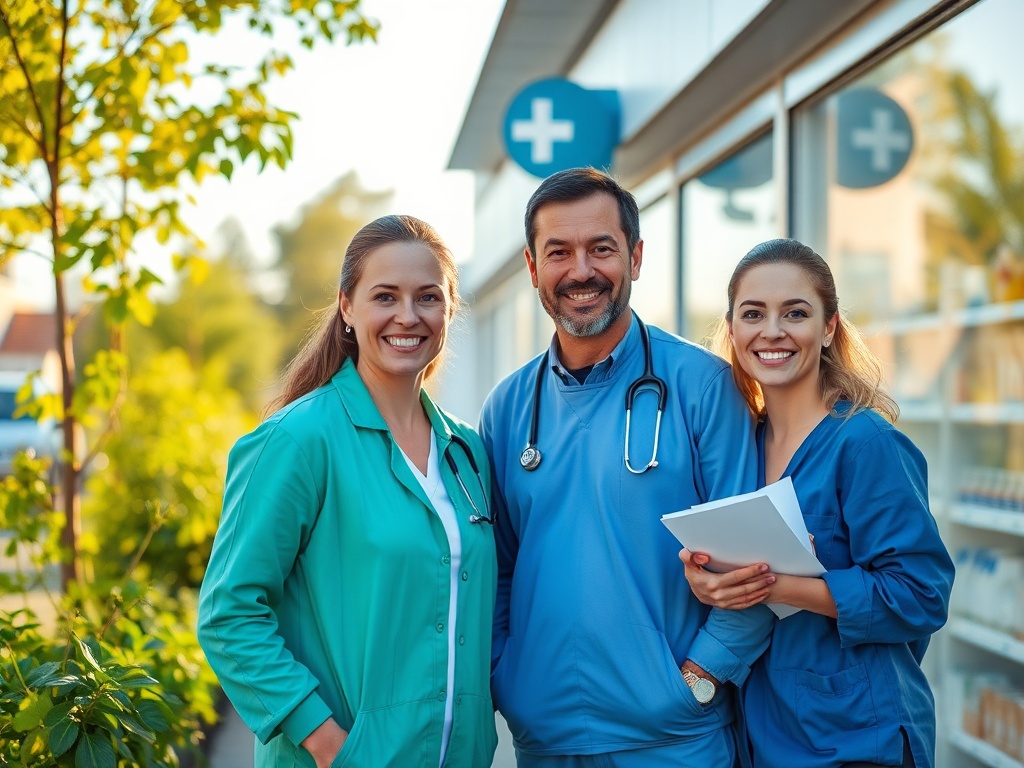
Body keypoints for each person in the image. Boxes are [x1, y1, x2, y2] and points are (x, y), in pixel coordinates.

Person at [478, 167, 774, 767]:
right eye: (558, 251)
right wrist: (509, 681)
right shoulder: (507, 408)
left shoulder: (704, 386)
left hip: (676, 740)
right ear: (533, 268)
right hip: (545, 740)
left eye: (602, 249)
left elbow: (757, 563)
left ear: (635, 258)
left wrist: (699, 678)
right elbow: (498, 569)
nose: (581, 270)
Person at [197, 215, 498, 768]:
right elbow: (228, 612)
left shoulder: (468, 452)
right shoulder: (297, 441)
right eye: (385, 296)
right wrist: (328, 744)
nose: (408, 316)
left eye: (428, 297)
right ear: (347, 307)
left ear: (450, 309)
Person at [679, 238, 955, 768]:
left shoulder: (865, 443)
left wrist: (782, 585)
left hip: (855, 734)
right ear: (733, 330)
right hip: (764, 730)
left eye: (796, 313)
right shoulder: (738, 446)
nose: (773, 331)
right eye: (753, 313)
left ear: (828, 328)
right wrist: (707, 580)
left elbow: (922, 595)